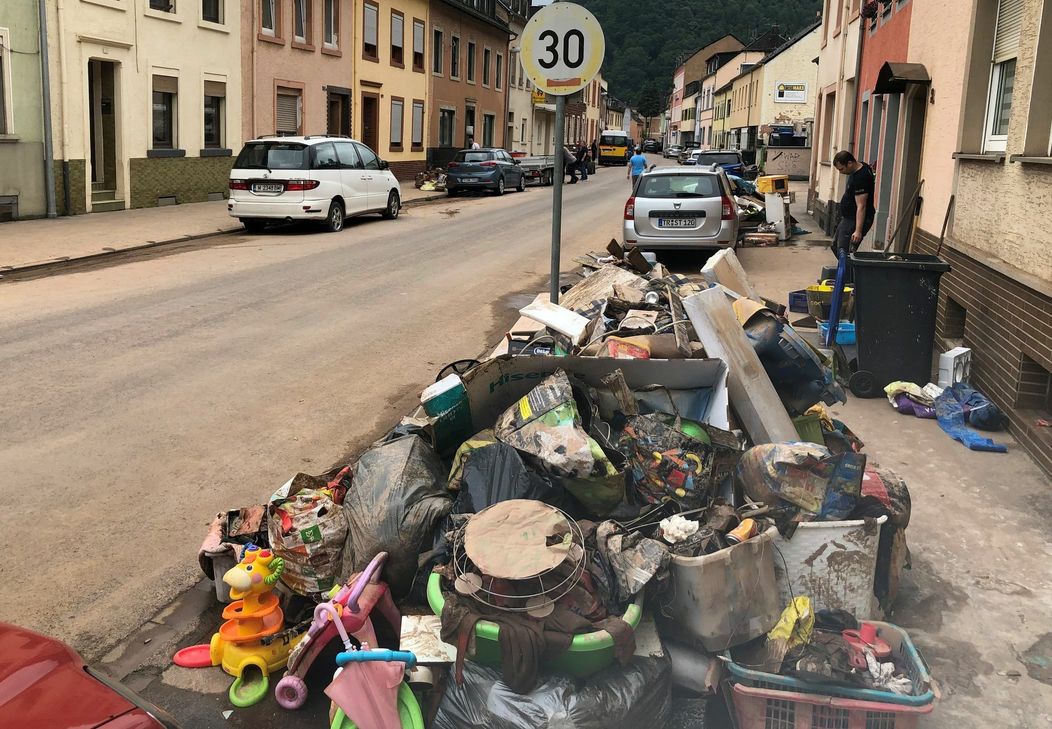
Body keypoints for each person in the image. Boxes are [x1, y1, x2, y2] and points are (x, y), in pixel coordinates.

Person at [832, 150, 875, 256]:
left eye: (842, 169)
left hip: (854, 220)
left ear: (850, 163)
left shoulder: (861, 178)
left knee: (844, 252)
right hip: (848, 218)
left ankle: (848, 272)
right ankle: (846, 270)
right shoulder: (862, 166)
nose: (840, 172)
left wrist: (858, 231)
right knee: (835, 246)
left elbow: (862, 206)